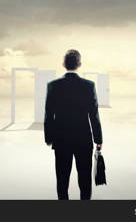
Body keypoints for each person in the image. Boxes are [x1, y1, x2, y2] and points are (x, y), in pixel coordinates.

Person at [44, 49, 103, 200]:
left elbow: (49, 114)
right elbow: (94, 114)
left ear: (63, 64)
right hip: (83, 139)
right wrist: (98, 139)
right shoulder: (89, 85)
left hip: (61, 139)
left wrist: (48, 137)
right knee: (85, 179)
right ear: (79, 64)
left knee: (62, 180)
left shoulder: (53, 85)